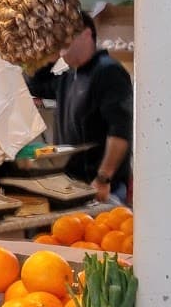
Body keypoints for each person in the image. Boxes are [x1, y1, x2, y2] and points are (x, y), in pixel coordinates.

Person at [46, 11, 133, 203]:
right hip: (69, 187)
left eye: (65, 41)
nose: (60, 48)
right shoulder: (67, 75)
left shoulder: (109, 71)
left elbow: (120, 131)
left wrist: (103, 178)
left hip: (100, 189)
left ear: (86, 34)